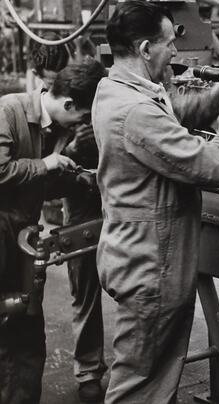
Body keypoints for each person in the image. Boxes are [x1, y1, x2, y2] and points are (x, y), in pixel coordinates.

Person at [93, 0, 219, 403]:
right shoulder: (133, 111)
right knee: (138, 385)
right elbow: (212, 165)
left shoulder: (116, 87)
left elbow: (175, 117)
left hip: (145, 258)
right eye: (169, 43)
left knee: (154, 375)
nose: (176, 52)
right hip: (151, 266)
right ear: (146, 48)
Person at [0, 62, 105, 404]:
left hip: (25, 238)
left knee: (28, 332)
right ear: (70, 104)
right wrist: (45, 164)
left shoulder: (58, 132)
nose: (86, 126)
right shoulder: (9, 110)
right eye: (85, 117)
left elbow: (34, 187)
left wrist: (75, 178)